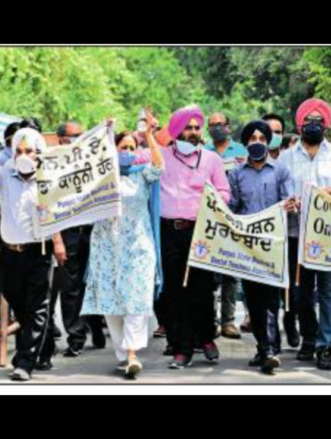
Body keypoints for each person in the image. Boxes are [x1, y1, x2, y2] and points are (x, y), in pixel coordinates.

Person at [81, 114, 164, 379]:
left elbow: (159, 166)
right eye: (122, 147)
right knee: (112, 303)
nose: (128, 152)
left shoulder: (142, 175)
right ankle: (123, 352)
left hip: (139, 246)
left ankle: (132, 354)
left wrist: (149, 136)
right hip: (107, 246)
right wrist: (106, 132)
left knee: (136, 299)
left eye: (131, 147)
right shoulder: (103, 177)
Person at [279, 98, 331, 371]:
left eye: (318, 121)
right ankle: (308, 338)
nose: (313, 125)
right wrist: (291, 201)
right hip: (297, 233)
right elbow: (280, 192)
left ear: (326, 125)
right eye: (308, 120)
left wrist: (318, 193)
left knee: (329, 291)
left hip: (328, 234)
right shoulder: (286, 157)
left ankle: (325, 347)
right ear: (299, 124)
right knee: (299, 294)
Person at [0, 128, 60, 382]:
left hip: (39, 251)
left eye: (28, 150)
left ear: (38, 153)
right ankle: (44, 345)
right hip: (9, 252)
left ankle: (25, 362)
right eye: (19, 150)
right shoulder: (4, 173)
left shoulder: (48, 178)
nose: (23, 155)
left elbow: (61, 210)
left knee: (37, 306)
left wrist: (58, 240)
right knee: (16, 299)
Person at [160, 105, 231, 370]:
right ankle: (181, 348)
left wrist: (211, 198)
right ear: (176, 130)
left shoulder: (211, 159)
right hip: (169, 232)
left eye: (196, 128)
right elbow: (132, 156)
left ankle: (206, 337)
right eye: (187, 128)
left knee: (201, 290)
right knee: (174, 293)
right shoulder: (162, 156)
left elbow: (225, 192)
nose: (192, 133)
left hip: (200, 232)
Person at [228, 120, 294, 375]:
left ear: (268, 142)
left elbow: (287, 200)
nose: (257, 142)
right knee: (252, 300)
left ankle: (270, 349)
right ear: (246, 144)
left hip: (273, 245)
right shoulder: (236, 173)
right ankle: (263, 347)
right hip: (247, 247)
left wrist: (290, 205)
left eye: (262, 138)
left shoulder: (280, 171)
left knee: (270, 299)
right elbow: (233, 206)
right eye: (252, 138)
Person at [50, 121, 107, 357]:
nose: (78, 140)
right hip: (68, 233)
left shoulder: (93, 162)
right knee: (71, 287)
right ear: (60, 138)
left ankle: (95, 325)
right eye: (73, 136)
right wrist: (57, 240)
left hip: (93, 232)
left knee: (93, 283)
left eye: (82, 136)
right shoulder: (52, 165)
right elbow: (49, 202)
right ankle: (76, 337)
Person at [204, 112, 247, 340]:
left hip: (235, 217)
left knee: (231, 272)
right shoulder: (203, 152)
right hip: (210, 219)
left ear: (229, 127)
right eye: (212, 125)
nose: (217, 128)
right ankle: (210, 321)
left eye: (221, 124)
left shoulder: (241, 151)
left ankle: (228, 321)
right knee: (210, 273)